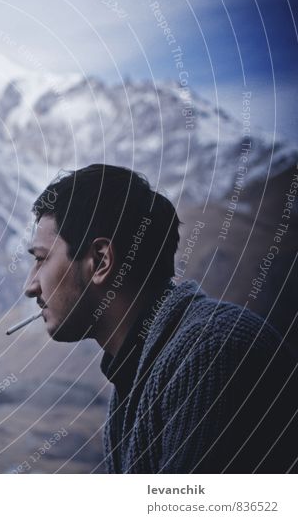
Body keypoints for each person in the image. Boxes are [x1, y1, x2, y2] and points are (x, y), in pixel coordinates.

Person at [23, 164, 298, 473]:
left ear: (100, 261)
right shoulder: (139, 373)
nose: (30, 286)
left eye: (41, 259)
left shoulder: (211, 352)